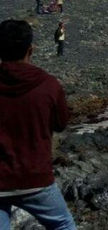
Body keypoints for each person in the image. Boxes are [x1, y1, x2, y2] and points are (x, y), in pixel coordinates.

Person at [0, 19, 76, 229]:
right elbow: (61, 123)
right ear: (30, 49)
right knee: (63, 223)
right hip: (35, 177)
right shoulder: (48, 85)